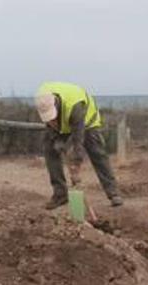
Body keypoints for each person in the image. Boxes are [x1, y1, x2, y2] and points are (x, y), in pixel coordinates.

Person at [35, 81, 123, 209]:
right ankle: (60, 194)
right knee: (49, 149)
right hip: (63, 124)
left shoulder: (74, 106)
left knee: (97, 153)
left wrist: (75, 165)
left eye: (53, 117)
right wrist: (56, 139)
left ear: (56, 105)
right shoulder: (42, 99)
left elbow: (78, 140)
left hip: (86, 122)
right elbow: (50, 125)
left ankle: (113, 193)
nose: (52, 120)